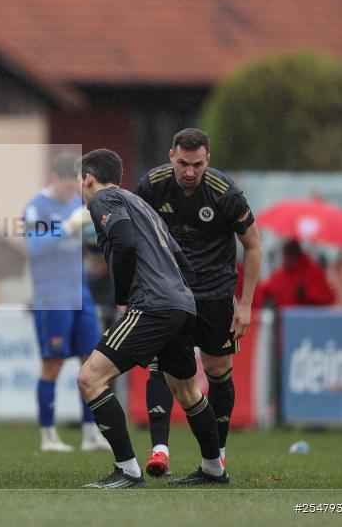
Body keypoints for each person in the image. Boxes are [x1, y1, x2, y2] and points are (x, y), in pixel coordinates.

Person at [76, 148, 227, 488]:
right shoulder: (139, 203)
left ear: (88, 178)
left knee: (89, 379)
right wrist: (182, 299)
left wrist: (123, 297)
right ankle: (214, 469)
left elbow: (125, 243)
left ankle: (128, 471)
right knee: (187, 391)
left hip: (153, 304)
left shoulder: (104, 200)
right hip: (181, 303)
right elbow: (179, 257)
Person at [135, 128, 262, 477]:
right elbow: (134, 240)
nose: (190, 172)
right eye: (183, 163)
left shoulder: (226, 193)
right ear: (171, 155)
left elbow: (254, 246)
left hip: (214, 292)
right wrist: (132, 291)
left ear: (208, 160)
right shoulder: (151, 185)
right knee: (160, 363)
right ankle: (159, 451)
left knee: (217, 368)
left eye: (198, 165)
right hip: (168, 291)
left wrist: (246, 304)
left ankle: (216, 457)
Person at [23, 153, 110, 453]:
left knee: (91, 362)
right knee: (53, 363)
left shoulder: (76, 203)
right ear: (54, 179)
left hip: (81, 293)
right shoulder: (37, 207)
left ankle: (91, 434)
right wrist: (67, 228)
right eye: (68, 188)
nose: (73, 194)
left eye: (75, 188)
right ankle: (48, 437)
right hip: (52, 296)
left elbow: (83, 243)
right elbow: (35, 248)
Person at [253, 239, 334, 310]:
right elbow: (263, 292)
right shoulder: (281, 274)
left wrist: (307, 294)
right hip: (285, 322)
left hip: (308, 321)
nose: (285, 258)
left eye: (288, 254)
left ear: (295, 254)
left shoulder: (312, 271)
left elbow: (328, 297)